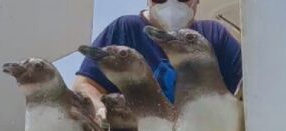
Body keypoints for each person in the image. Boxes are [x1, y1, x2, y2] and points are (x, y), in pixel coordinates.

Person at [74, 0, 242, 120]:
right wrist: (99, 108)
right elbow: (85, 85)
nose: (171, 4)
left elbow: (249, 90)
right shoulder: (124, 29)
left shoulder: (215, 35)